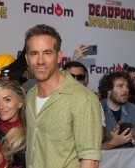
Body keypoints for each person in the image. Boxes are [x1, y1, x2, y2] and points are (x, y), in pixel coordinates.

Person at [24, 24, 102, 168]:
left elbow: (90, 160)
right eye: (34, 53)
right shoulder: (30, 95)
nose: (40, 60)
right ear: (27, 59)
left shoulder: (83, 98)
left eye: (47, 53)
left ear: (59, 56)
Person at [98, 72, 135, 149]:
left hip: (127, 159)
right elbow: (90, 148)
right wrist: (113, 143)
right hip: (104, 160)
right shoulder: (96, 109)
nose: (126, 89)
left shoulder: (134, 109)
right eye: (120, 86)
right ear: (108, 89)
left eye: (127, 86)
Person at [0, 80, 26, 168]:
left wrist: (2, 164)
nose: (1, 106)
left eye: (7, 100)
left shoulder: (26, 136)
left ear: (20, 103)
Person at [63, 61, 106, 140]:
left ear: (84, 79)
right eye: (71, 76)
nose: (75, 80)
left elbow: (101, 136)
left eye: (80, 77)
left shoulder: (93, 102)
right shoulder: (53, 99)